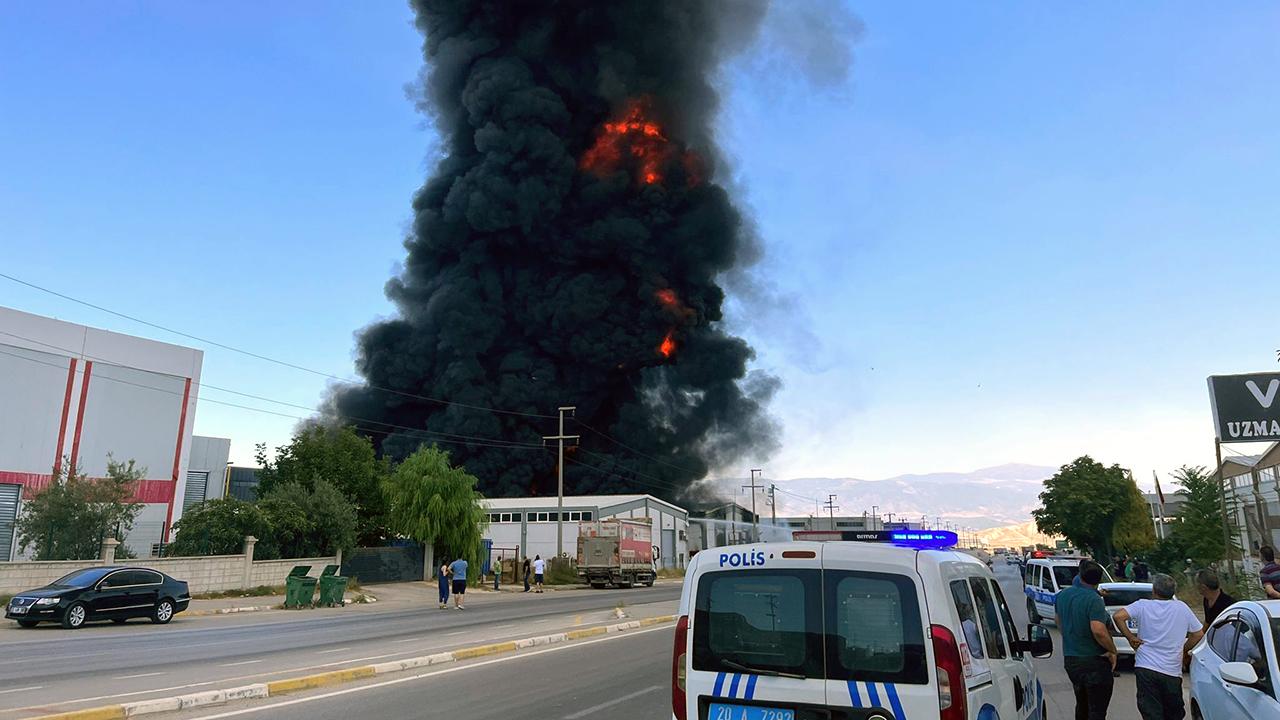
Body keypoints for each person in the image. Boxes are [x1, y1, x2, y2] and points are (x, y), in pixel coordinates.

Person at [1113, 574, 1204, 720]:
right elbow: (1198, 634)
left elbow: (1118, 616)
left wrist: (1131, 638)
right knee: (1174, 713)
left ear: (1154, 590)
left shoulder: (1143, 605)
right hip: (1171, 670)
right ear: (1173, 592)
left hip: (1146, 667)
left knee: (1151, 712)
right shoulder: (1182, 608)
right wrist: (1184, 649)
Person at [1056, 559, 1119, 720]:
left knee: (1082, 704)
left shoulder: (1062, 595)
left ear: (1080, 575)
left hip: (1072, 660)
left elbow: (1059, 622)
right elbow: (1098, 630)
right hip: (1093, 661)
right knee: (1097, 710)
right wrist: (1112, 650)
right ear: (1099, 580)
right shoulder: (1093, 599)